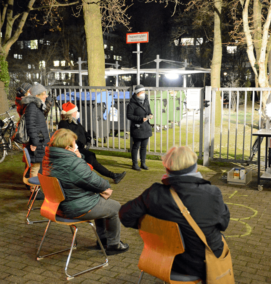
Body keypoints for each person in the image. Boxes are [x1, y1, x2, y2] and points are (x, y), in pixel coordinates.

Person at [119, 146, 230, 280]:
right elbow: (223, 224)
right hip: (201, 263)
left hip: (161, 258)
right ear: (195, 167)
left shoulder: (153, 193)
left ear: (167, 168)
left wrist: (152, 227)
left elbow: (125, 215)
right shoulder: (212, 193)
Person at [42, 128, 129, 255]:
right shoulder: (73, 163)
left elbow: (80, 176)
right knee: (115, 207)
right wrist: (106, 186)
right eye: (74, 144)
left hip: (56, 206)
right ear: (67, 148)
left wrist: (78, 157)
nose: (77, 146)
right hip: (74, 207)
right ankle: (113, 245)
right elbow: (95, 181)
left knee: (101, 200)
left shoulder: (48, 158)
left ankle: (103, 240)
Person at [58, 102, 126, 184]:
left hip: (81, 148)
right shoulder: (64, 124)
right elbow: (68, 138)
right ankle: (104, 177)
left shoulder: (75, 121)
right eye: (76, 111)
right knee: (91, 160)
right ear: (72, 113)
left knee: (93, 162)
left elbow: (83, 131)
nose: (77, 113)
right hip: (74, 149)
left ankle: (113, 176)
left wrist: (88, 139)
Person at [21, 84, 51, 199]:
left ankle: (36, 190)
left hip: (39, 140)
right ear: (37, 95)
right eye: (44, 94)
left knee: (38, 165)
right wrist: (34, 142)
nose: (46, 96)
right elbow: (31, 126)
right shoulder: (32, 106)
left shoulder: (36, 105)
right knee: (36, 166)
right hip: (37, 142)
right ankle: (34, 192)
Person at [126, 84, 153, 171]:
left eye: (144, 92)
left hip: (146, 127)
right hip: (137, 128)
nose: (144, 93)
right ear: (137, 93)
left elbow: (148, 110)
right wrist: (140, 119)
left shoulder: (146, 100)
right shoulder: (131, 104)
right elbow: (129, 115)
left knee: (144, 146)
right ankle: (135, 164)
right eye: (142, 92)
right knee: (136, 146)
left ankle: (143, 163)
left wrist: (150, 114)